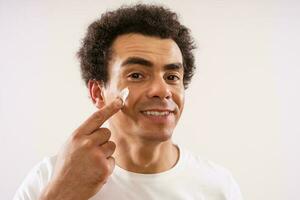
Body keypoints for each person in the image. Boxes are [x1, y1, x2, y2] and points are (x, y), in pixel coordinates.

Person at [14, 4, 243, 200]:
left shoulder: (218, 187)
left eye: (172, 77)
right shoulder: (50, 177)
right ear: (98, 93)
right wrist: (62, 192)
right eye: (136, 75)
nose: (162, 91)